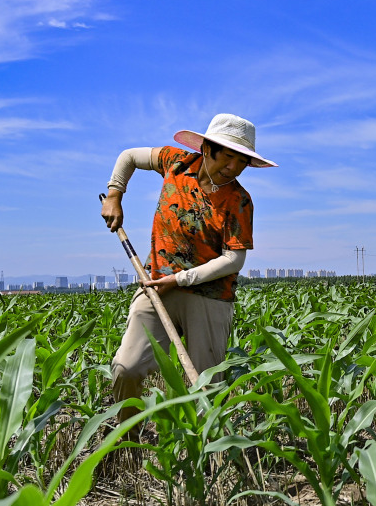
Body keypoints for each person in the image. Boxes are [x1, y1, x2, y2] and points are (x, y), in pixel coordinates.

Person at [101, 113, 276, 422]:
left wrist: (181, 280)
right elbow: (128, 156)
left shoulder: (238, 201)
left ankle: (208, 460)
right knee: (126, 368)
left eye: (242, 163)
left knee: (207, 387)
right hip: (155, 285)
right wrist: (115, 194)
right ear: (207, 148)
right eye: (229, 157)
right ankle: (126, 439)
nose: (233, 168)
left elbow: (233, 259)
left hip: (209, 297)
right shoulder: (176, 162)